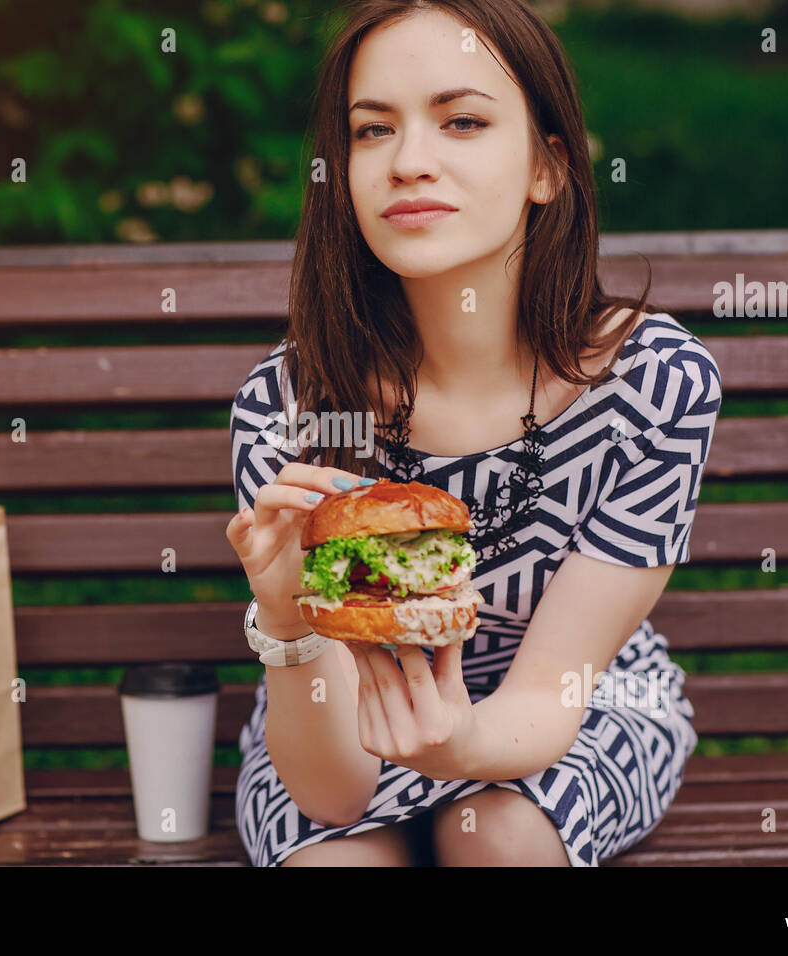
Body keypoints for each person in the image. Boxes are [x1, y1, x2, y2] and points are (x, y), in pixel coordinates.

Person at [224, 0, 721, 867]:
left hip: (577, 707)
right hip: (345, 725)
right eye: (372, 132)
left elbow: (545, 701)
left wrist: (451, 749)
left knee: (502, 835)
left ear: (547, 167)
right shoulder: (291, 408)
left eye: (461, 121)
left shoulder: (653, 385)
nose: (410, 162)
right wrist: (284, 614)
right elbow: (333, 791)